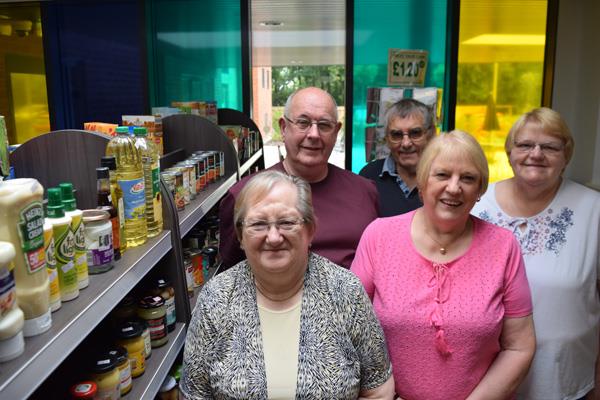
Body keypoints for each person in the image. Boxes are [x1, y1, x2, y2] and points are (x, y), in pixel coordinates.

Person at [351, 130, 536, 400]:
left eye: (468, 178)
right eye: (442, 175)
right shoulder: (379, 236)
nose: (454, 187)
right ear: (423, 181)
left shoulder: (503, 247)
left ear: (480, 190)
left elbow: (519, 347)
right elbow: (351, 334)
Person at [181, 171, 395, 399]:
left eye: (286, 222)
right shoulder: (217, 298)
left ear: (310, 230)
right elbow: (195, 394)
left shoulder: (345, 292)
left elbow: (378, 390)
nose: (273, 237)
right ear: (241, 236)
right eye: (258, 224)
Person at [472, 107, 600, 400]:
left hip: (562, 380)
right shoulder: (477, 203)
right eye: (525, 144)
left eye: (550, 146)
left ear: (566, 155)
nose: (536, 154)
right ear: (509, 151)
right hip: (482, 379)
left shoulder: (594, 210)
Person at [219, 87, 379, 269]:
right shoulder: (243, 195)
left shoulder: (365, 191)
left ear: (336, 132)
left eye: (325, 125)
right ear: (283, 128)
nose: (314, 135)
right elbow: (232, 272)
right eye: (303, 123)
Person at [359, 98, 435, 216]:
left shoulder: (445, 177)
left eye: (415, 133)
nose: (406, 143)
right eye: (396, 135)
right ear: (387, 139)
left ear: (431, 134)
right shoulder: (369, 176)